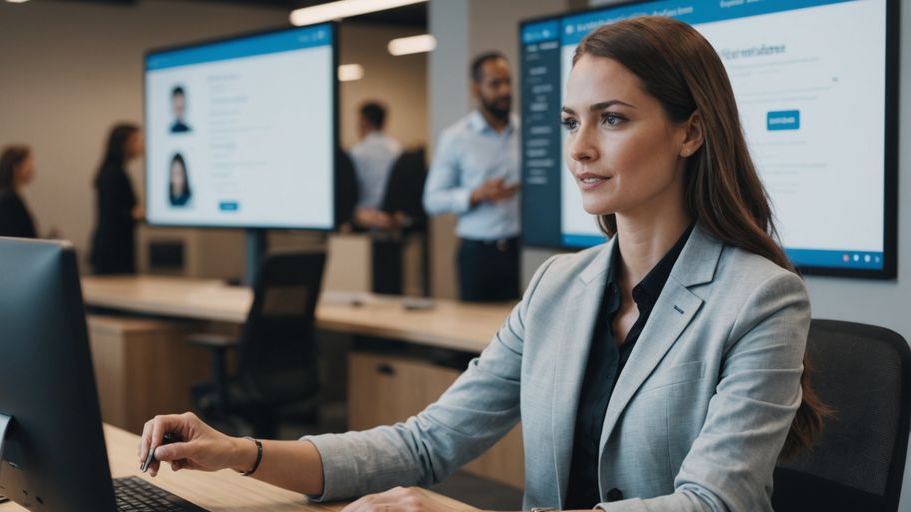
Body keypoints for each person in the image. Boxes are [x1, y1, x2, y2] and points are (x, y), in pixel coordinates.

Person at [136, 17, 827, 512]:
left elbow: (712, 502)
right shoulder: (560, 285)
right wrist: (242, 454)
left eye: (611, 119)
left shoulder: (761, 298)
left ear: (691, 131)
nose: (580, 147)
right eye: (569, 121)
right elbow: (427, 441)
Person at [423, 51, 521, 302]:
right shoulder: (456, 137)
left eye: (508, 81)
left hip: (517, 249)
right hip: (477, 254)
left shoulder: (525, 130)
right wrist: (475, 195)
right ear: (475, 88)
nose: (505, 90)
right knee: (474, 333)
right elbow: (432, 200)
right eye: (495, 84)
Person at [89, 123, 144, 275]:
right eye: (137, 140)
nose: (141, 146)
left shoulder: (114, 171)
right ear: (125, 143)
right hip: (113, 251)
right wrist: (135, 214)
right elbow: (112, 213)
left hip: (114, 248)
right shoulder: (112, 173)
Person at [349, 101, 403, 230]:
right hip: (391, 218)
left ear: (363, 120)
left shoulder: (357, 151)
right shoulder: (397, 149)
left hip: (364, 218)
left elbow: (352, 187)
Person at [0, 145, 38, 238]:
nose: (32, 169)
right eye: (28, 165)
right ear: (15, 168)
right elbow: (17, 237)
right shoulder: (9, 200)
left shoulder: (8, 197)